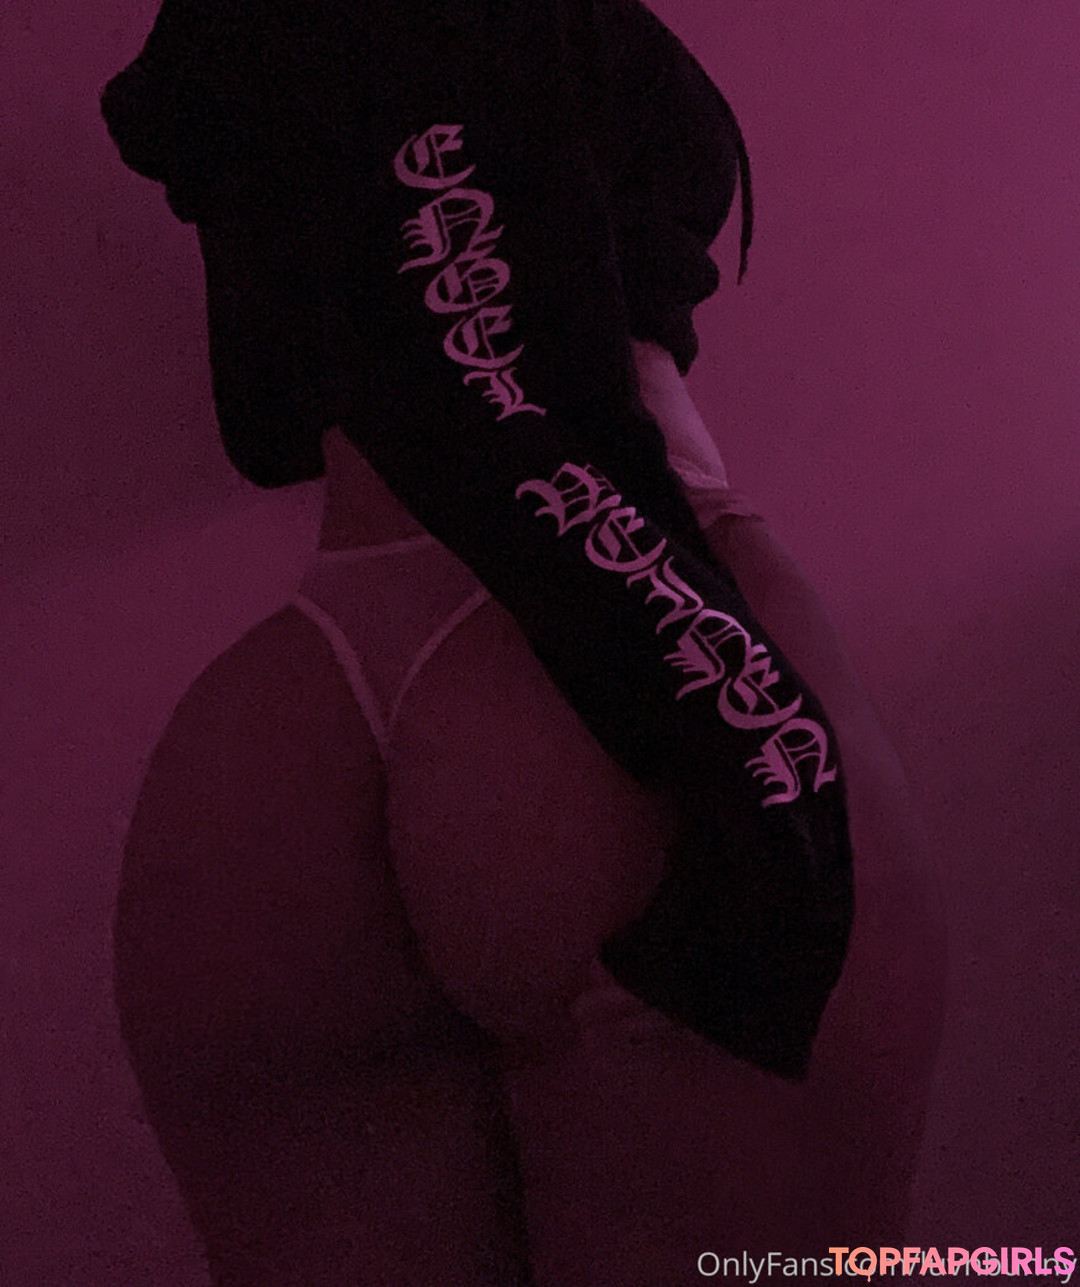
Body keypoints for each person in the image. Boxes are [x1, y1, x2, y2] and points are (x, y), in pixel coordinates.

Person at [104, 1, 947, 1281]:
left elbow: (267, 410)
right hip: (623, 646)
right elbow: (514, 344)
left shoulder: (233, 40)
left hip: (279, 735)